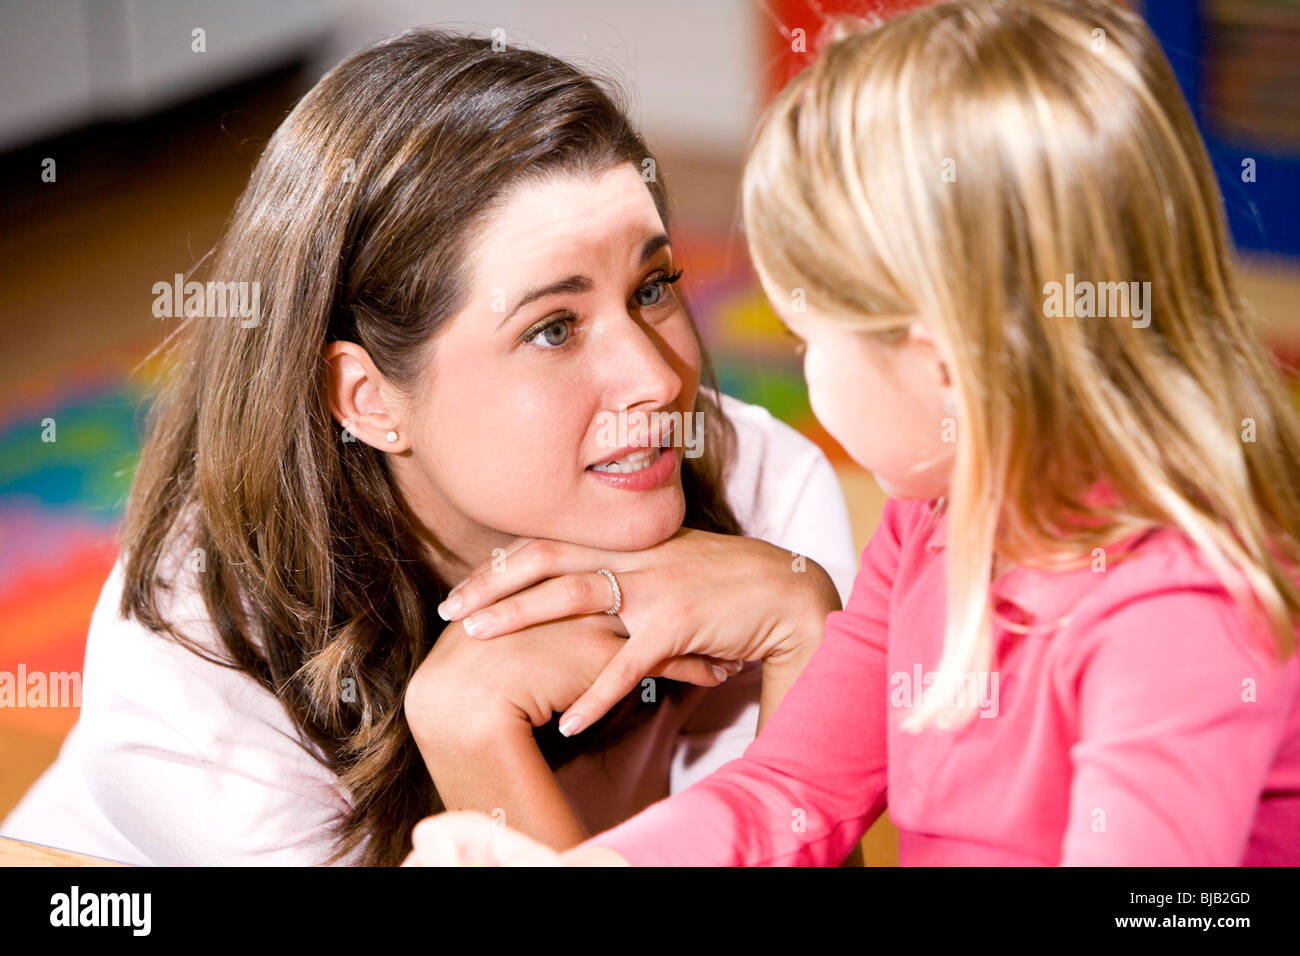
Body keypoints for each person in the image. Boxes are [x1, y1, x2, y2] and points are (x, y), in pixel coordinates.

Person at [401, 0, 1300, 867]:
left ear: (942, 369)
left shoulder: (1176, 611)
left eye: (810, 339)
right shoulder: (933, 521)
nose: (803, 366)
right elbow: (794, 789)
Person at [0, 29, 858, 866]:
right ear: (369, 399)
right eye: (554, 328)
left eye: (654, 285)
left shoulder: (763, 489)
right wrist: (469, 725)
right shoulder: (203, 655)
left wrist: (799, 620)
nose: (658, 379)